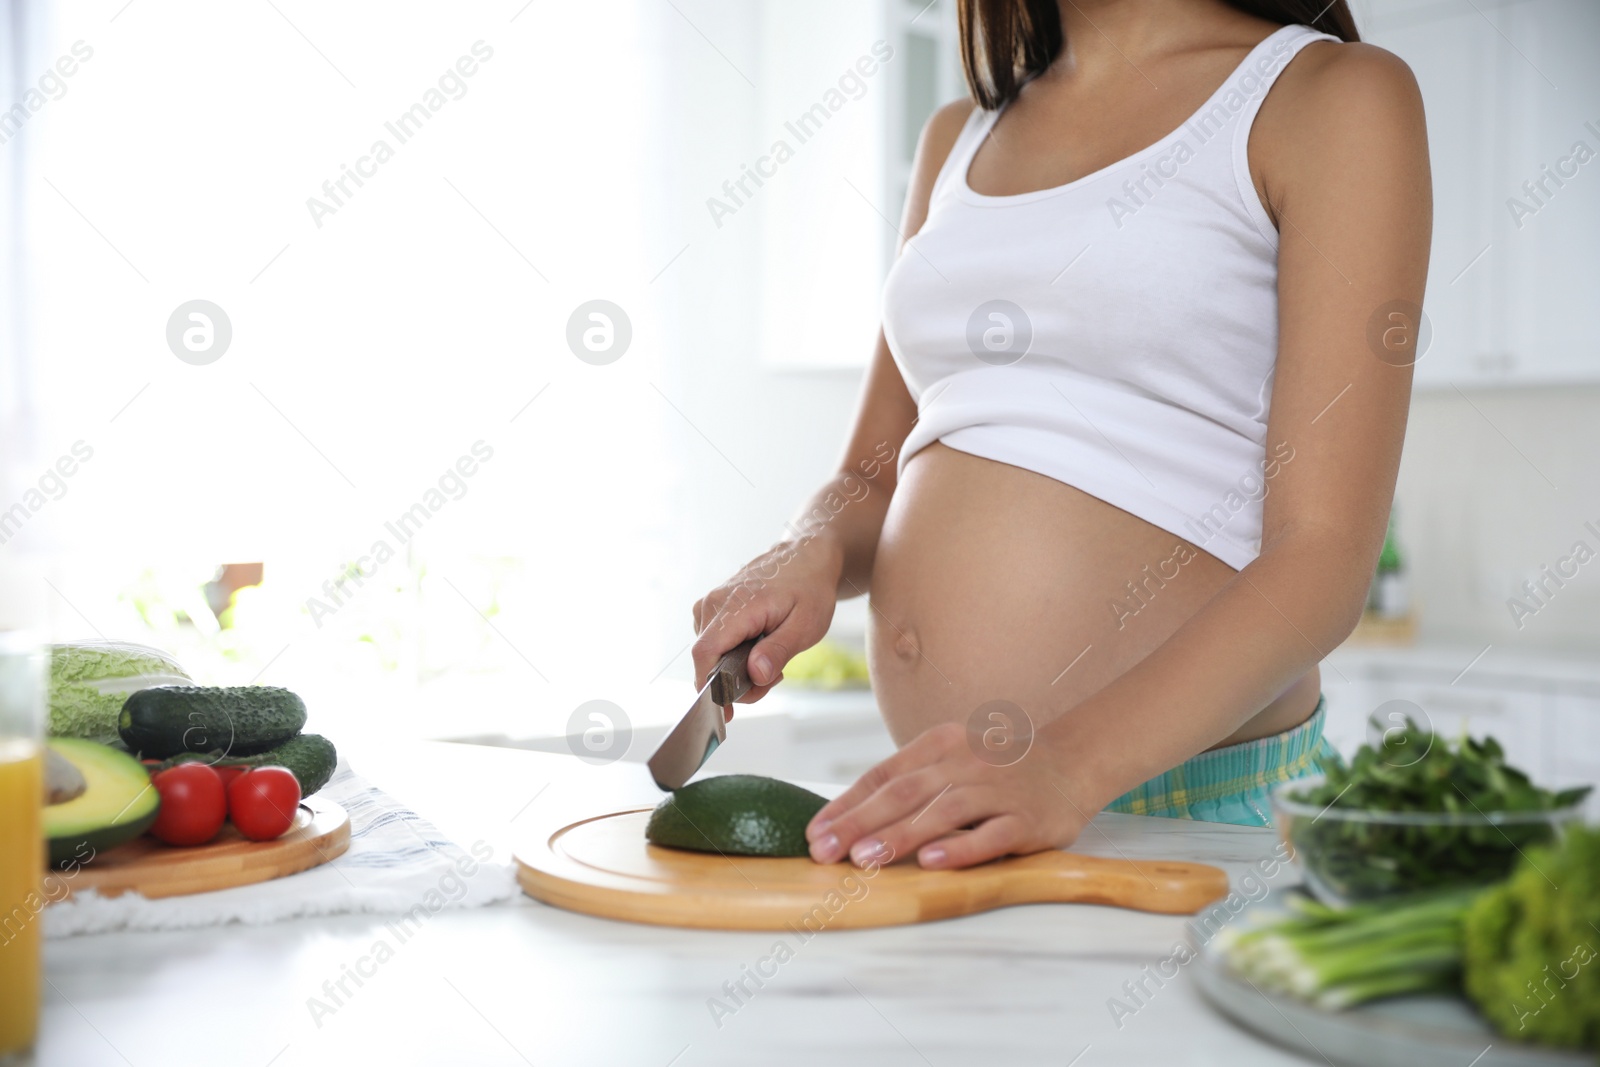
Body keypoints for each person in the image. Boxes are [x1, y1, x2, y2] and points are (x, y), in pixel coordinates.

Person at [690, 0, 1431, 870]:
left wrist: (1068, 766)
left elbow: (1325, 555)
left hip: (1184, 812)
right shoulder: (958, 135)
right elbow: (872, 473)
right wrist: (810, 546)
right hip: (964, 813)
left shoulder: (1330, 97)